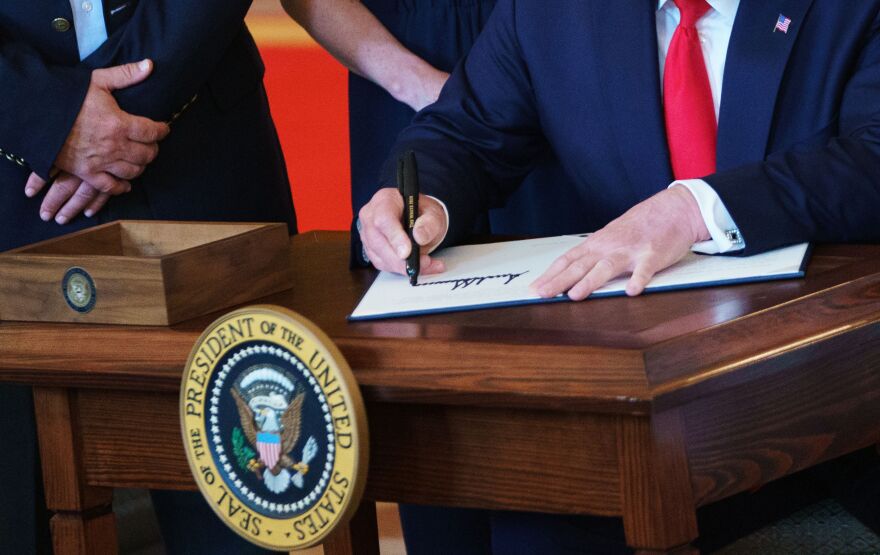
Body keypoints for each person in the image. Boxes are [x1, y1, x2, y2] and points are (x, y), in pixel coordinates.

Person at [357, 0, 880, 551]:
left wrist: (695, 210)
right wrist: (421, 201)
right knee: (537, 522)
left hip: (832, 407)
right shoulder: (553, 13)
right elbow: (465, 132)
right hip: (633, 411)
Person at [0, 3, 295, 553]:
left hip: (200, 145)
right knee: (23, 511)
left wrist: (109, 123)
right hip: (15, 172)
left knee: (238, 514)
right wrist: (48, 115)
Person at [281, 0, 576, 269]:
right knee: (403, 259)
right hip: (398, 61)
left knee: (561, 267)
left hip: (543, 51)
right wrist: (417, 86)